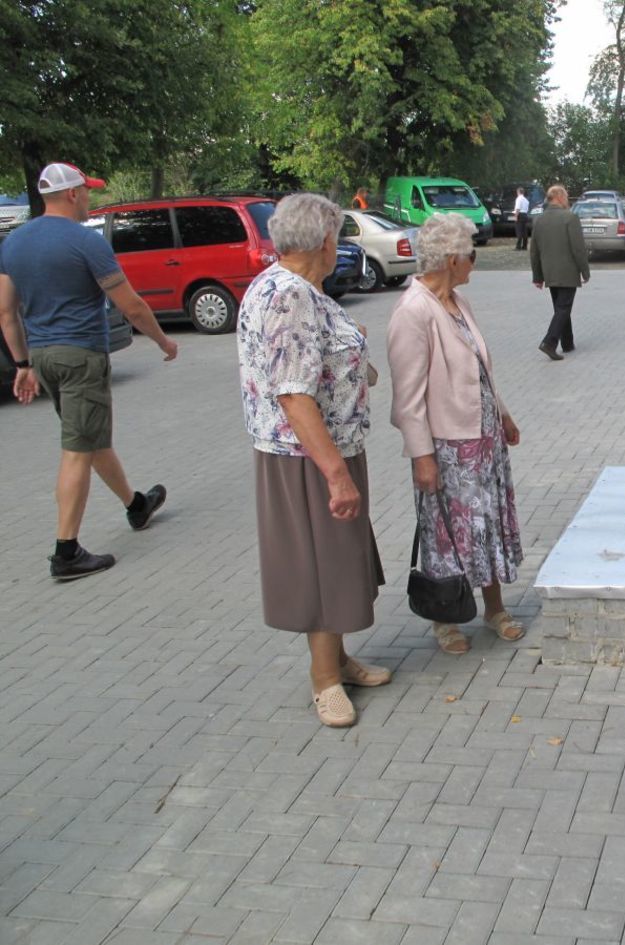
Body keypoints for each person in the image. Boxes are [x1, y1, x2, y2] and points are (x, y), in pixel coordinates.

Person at [236, 193, 391, 728]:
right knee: (321, 568)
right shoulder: (290, 297)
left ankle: (337, 661)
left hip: (324, 448)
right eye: (339, 237)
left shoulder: (294, 288)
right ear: (324, 241)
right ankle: (323, 681)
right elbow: (294, 395)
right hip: (306, 455)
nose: (340, 246)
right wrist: (335, 475)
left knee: (337, 563)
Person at [0, 162, 178, 581]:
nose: (91, 199)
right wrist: (163, 342)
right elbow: (131, 304)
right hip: (81, 356)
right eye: (88, 192)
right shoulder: (85, 242)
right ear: (73, 194)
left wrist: (23, 364)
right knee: (77, 449)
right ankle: (67, 552)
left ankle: (136, 505)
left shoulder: (14, 242)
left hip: (43, 357)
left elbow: (7, 313)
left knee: (90, 437)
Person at [387, 213, 526, 656]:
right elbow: (407, 398)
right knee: (445, 535)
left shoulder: (458, 302)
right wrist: (421, 456)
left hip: (483, 443)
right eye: (470, 254)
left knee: (487, 528)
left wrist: (502, 414)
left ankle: (494, 608)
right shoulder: (413, 312)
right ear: (450, 259)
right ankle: (444, 620)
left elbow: (481, 369)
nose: (474, 263)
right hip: (447, 448)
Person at [529, 184, 590, 360]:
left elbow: (534, 251)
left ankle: (568, 343)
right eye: (566, 196)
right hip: (568, 271)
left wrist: (537, 276)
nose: (567, 199)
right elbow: (578, 249)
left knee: (560, 307)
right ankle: (549, 342)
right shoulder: (570, 218)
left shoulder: (538, 220)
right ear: (560, 197)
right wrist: (585, 271)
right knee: (563, 308)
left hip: (549, 272)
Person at [513, 186, 531, 251]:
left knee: (519, 231)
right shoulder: (526, 200)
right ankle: (524, 246)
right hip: (525, 215)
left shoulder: (518, 199)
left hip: (520, 215)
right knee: (524, 231)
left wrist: (515, 216)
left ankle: (518, 246)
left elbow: (518, 208)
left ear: (518, 192)